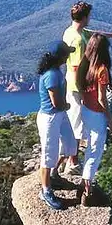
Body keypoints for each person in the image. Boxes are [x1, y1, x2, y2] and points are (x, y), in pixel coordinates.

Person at [62, 1, 112, 173]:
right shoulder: (78, 41)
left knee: (77, 121)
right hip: (76, 86)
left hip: (72, 83)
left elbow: (95, 34)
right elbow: (78, 67)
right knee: (76, 123)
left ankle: (71, 159)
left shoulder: (72, 31)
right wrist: (84, 89)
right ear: (86, 16)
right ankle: (72, 162)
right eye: (89, 15)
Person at [36, 40, 77, 210]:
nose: (69, 56)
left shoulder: (56, 71)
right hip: (50, 118)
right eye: (67, 53)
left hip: (59, 115)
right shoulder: (52, 75)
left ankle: (54, 173)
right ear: (60, 57)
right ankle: (46, 191)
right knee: (48, 155)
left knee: (70, 145)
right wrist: (67, 106)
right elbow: (56, 103)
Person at [75, 34, 112, 206]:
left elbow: (80, 88)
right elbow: (102, 99)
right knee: (95, 151)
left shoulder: (85, 66)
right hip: (97, 114)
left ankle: (84, 182)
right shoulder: (102, 70)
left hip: (85, 110)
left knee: (89, 147)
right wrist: (110, 120)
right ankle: (86, 191)